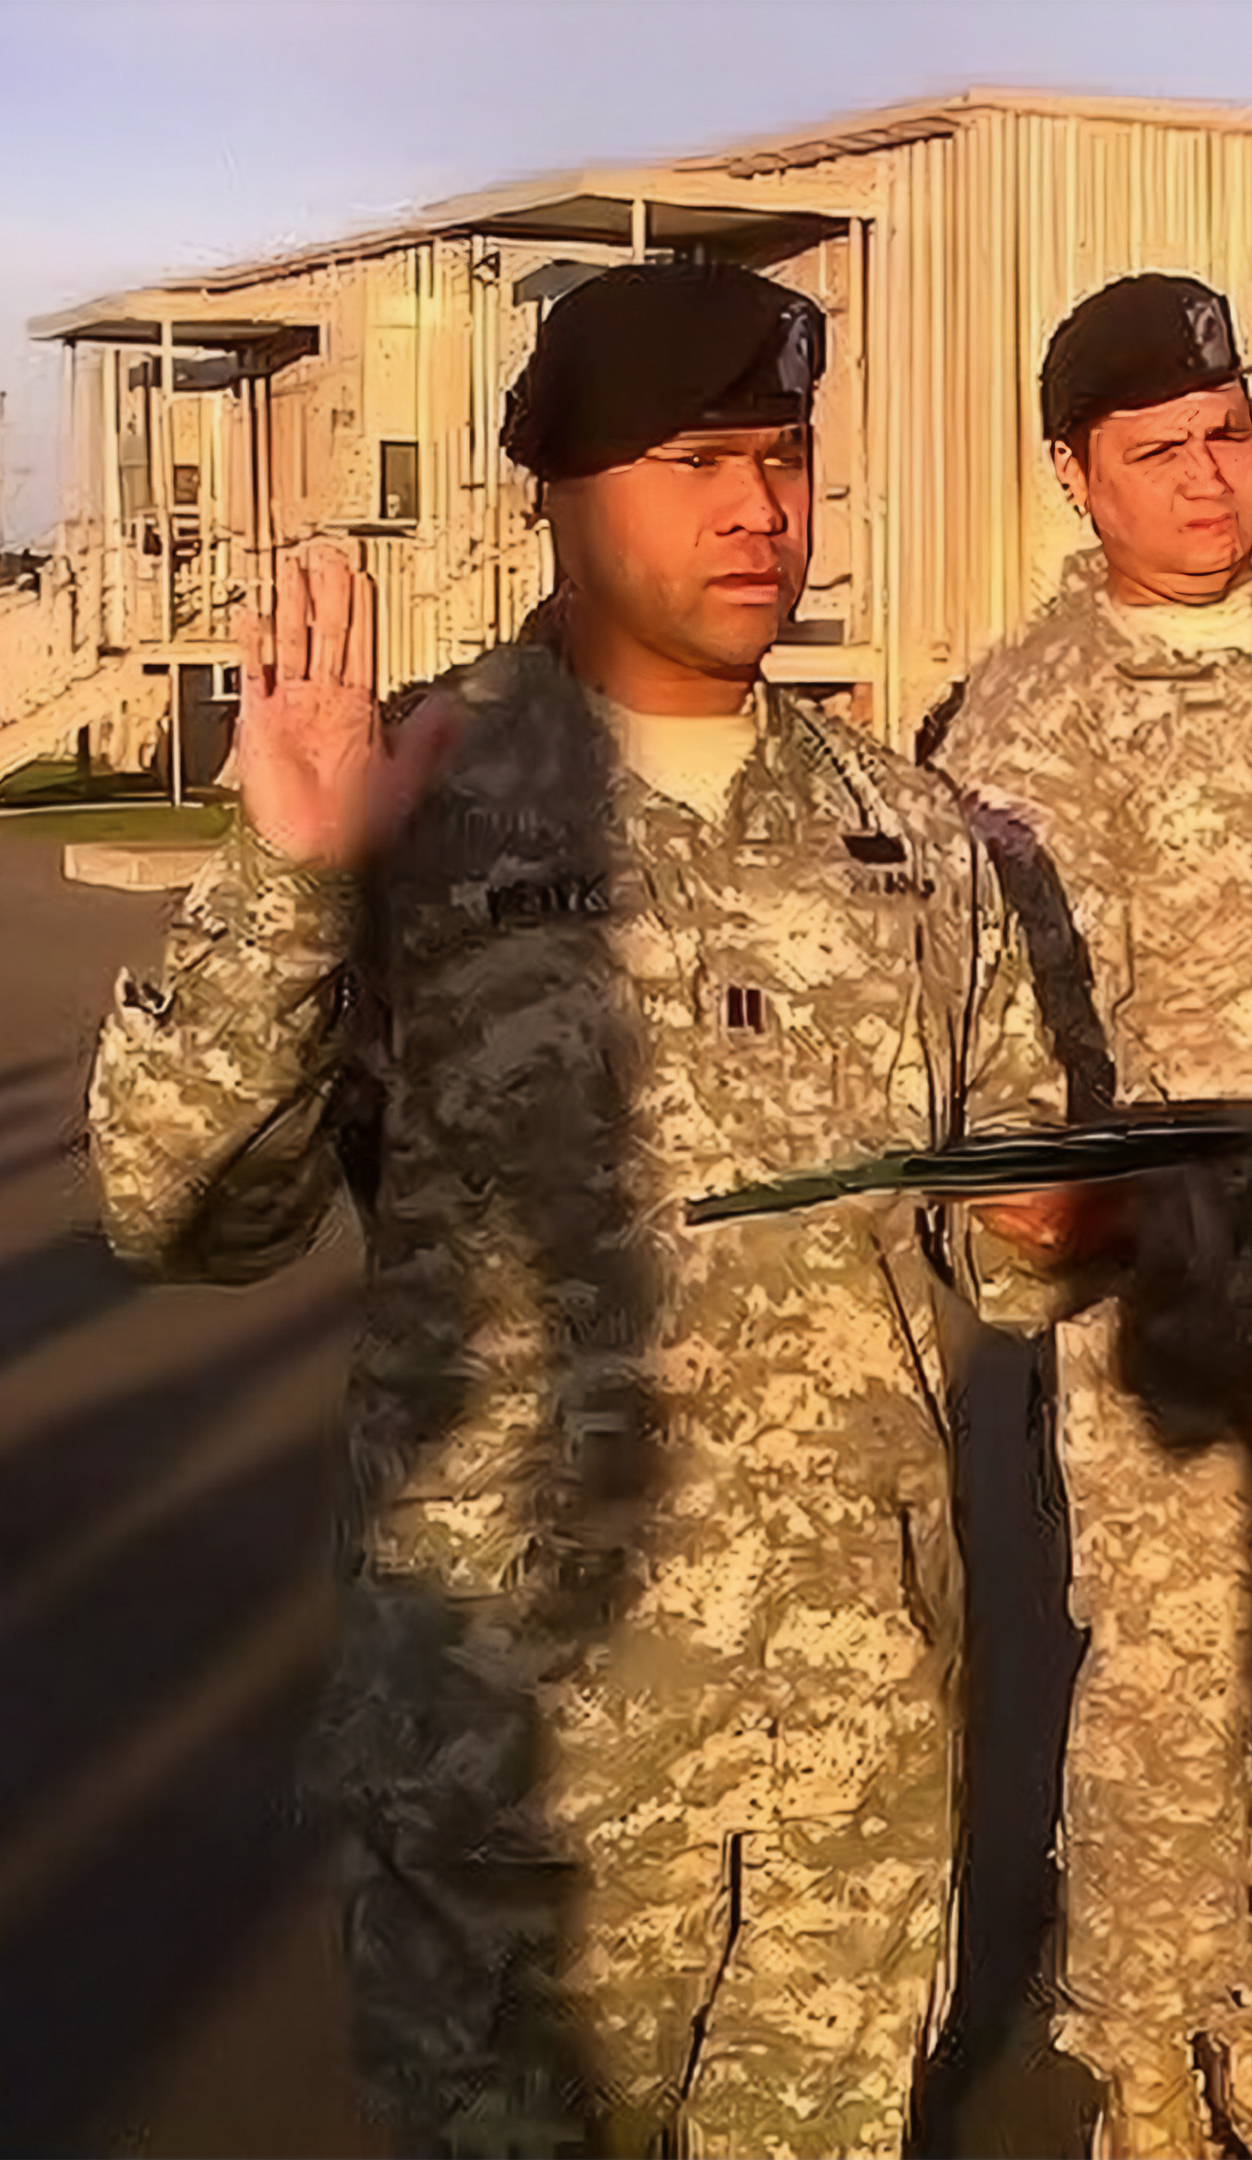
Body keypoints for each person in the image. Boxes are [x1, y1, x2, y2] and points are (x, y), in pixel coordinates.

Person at [87, 258, 1080, 2156]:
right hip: (520, 1759)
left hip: (846, 1753)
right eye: (698, 462)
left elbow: (1001, 1228)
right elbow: (176, 1211)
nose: (760, 509)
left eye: (784, 456)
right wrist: (290, 888)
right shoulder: (412, 798)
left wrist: (1047, 1231)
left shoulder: (911, 835)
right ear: (557, 487)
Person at [923, 272, 1252, 2158]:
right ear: (1075, 475)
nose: (1212, 481)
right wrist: (1226, 1315)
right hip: (1183, 1312)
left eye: (1228, 434)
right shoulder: (1028, 730)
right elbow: (1033, 1093)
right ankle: (1140, 2058)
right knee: (1177, 1694)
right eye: (1159, 453)